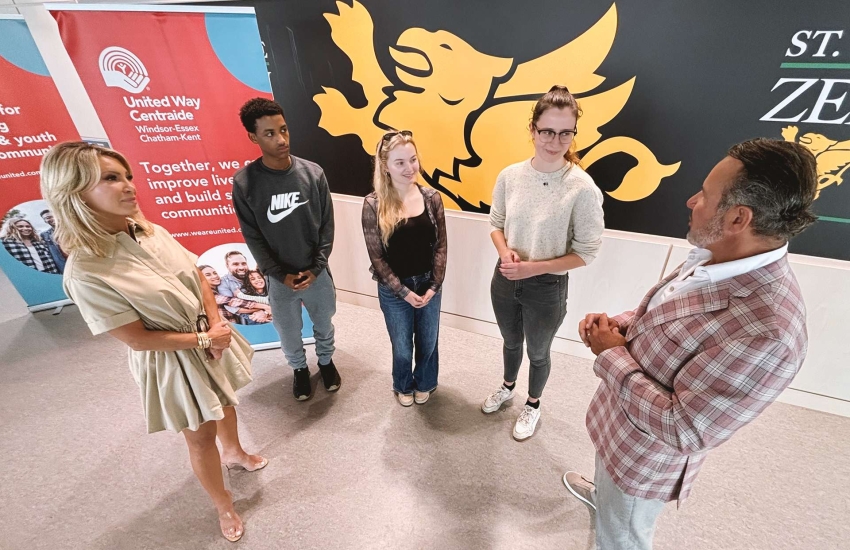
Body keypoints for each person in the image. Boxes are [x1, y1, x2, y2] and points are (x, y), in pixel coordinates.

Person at [563, 138, 818, 550]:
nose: (691, 201)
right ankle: (601, 497)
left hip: (643, 461)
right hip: (621, 428)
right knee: (609, 493)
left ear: (738, 218)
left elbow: (685, 428)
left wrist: (610, 352)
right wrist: (620, 325)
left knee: (622, 536)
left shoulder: (769, 333)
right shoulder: (715, 254)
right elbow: (667, 313)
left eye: (704, 195)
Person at [40, 142, 267, 543]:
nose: (129, 186)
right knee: (199, 435)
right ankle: (223, 504)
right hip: (172, 357)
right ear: (74, 193)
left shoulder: (150, 230)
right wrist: (203, 338)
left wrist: (216, 325)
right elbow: (136, 339)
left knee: (227, 400)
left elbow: (197, 274)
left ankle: (235, 452)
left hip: (208, 335)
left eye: (126, 176)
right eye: (111, 178)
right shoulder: (85, 271)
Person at [481, 85, 605, 440]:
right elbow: (496, 224)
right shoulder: (510, 176)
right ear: (533, 130)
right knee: (509, 341)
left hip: (546, 286)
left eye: (565, 132)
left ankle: (532, 404)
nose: (555, 140)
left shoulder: (581, 188)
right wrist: (506, 253)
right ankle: (507, 388)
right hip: (505, 278)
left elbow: (586, 253)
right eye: (548, 131)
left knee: (538, 351)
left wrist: (531, 268)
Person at [232, 97, 340, 401]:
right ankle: (299, 369)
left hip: (317, 273)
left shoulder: (313, 174)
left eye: (283, 130)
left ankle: (326, 361)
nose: (281, 139)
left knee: (324, 323)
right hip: (279, 280)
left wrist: (317, 267)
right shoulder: (245, 184)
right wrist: (278, 273)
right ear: (253, 137)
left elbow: (327, 227)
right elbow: (253, 236)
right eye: (269, 133)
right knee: (289, 332)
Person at [362, 130, 447, 406]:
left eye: (413, 159)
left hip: (428, 283)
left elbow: (441, 247)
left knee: (428, 341)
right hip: (394, 288)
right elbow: (377, 258)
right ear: (385, 166)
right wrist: (403, 291)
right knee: (401, 345)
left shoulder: (431, 197)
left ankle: (425, 381)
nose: (410, 168)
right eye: (400, 162)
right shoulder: (373, 204)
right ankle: (403, 384)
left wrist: (434, 285)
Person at [216, 251, 269, 324]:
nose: (241, 267)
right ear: (227, 266)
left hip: (269, 317)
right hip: (246, 322)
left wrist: (265, 312)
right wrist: (262, 309)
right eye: (235, 264)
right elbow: (233, 307)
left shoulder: (254, 275)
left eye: (244, 264)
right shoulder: (224, 283)